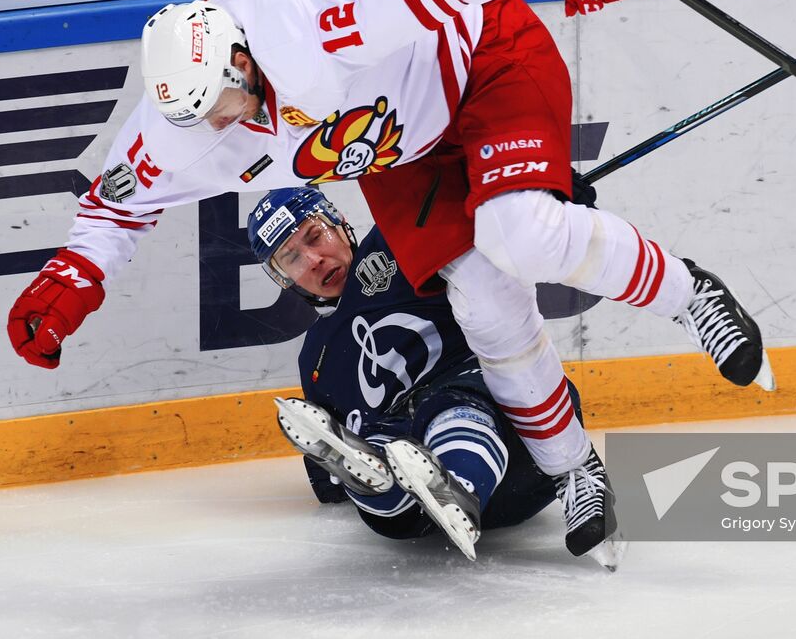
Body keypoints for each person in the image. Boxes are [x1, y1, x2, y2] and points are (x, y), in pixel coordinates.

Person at [5, 0, 776, 561]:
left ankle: (690, 293)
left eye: (218, 106)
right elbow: (118, 203)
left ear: (241, 60)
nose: (210, 129)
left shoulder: (308, 14)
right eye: (195, 117)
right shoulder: (187, 115)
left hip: (483, 60)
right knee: (483, 297)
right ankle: (574, 469)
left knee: (523, 233)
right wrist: (72, 275)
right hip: (395, 145)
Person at [249, 186, 620, 569]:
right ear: (283, 279)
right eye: (291, 258)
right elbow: (329, 486)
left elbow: (496, 224)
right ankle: (384, 484)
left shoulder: (399, 239)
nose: (312, 260)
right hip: (428, 518)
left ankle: (455, 484)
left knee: (452, 399)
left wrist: (546, 199)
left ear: (340, 222)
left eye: (315, 235)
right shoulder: (315, 356)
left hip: (522, 450)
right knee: (383, 461)